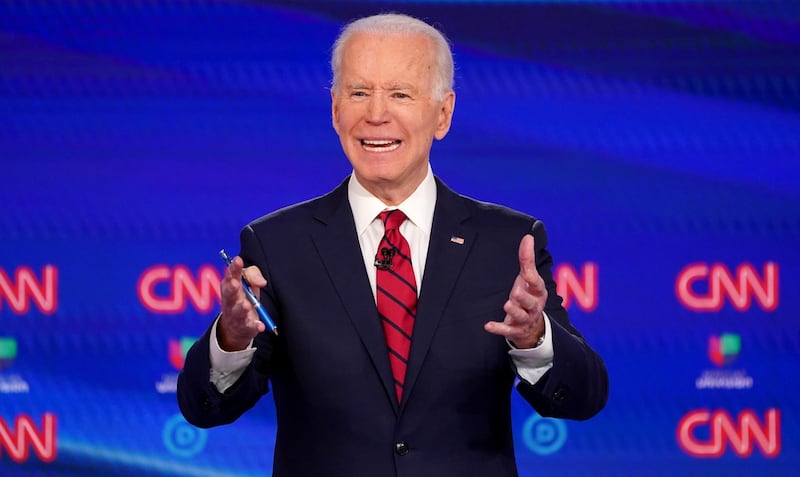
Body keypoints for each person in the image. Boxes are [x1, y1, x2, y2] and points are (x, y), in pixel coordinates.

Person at [178, 12, 608, 477]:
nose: (376, 114)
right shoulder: (277, 243)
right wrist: (232, 340)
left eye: (400, 94)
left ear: (443, 113)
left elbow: (583, 398)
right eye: (359, 93)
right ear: (335, 109)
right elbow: (206, 408)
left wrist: (534, 339)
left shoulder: (506, 243)